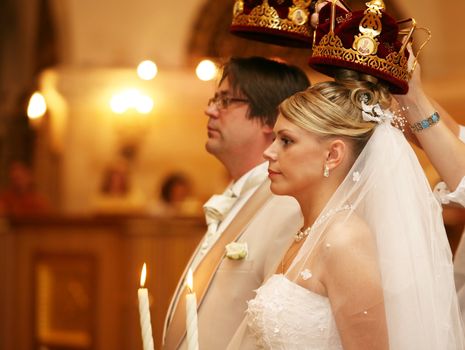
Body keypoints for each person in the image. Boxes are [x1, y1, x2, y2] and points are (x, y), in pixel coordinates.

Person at [226, 2, 464, 349]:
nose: (269, 153)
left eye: (286, 141)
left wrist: (414, 98)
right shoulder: (311, 229)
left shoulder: (345, 240)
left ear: (334, 153)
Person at [162, 56, 310, 349]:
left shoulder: (288, 205)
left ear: (272, 119)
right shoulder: (239, 192)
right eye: (214, 98)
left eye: (226, 101)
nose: (209, 110)